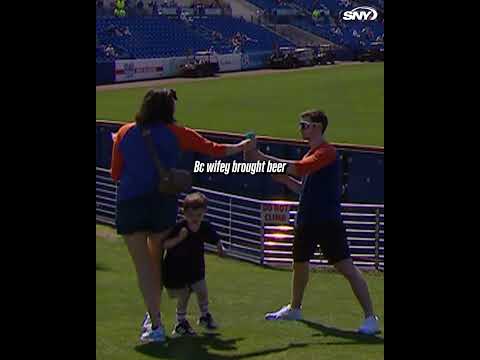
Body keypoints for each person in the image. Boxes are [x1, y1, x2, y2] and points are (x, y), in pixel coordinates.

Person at [110, 89, 255, 343]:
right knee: (157, 260)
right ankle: (153, 317)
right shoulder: (177, 133)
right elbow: (214, 149)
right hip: (162, 203)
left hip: (131, 202)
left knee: (143, 266)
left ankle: (155, 323)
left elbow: (115, 173)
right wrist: (243, 146)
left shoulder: (124, 132)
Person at [244, 110, 380, 335]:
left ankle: (370, 317)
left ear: (317, 127)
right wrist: (285, 180)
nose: (301, 129)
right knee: (299, 264)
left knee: (346, 267)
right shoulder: (313, 153)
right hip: (307, 220)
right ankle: (295, 308)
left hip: (326, 222)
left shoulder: (326, 152)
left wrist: (260, 157)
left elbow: (298, 168)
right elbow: (302, 187)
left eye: (304, 124)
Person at [144, 192, 225, 336]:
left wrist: (220, 247)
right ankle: (180, 323)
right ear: (185, 213)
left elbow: (214, 237)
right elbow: (165, 244)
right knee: (184, 296)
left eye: (199, 215)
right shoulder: (180, 227)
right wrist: (180, 238)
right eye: (192, 215)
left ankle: (205, 315)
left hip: (196, 268)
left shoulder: (204, 226)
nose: (195, 219)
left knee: (202, 290)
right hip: (177, 270)